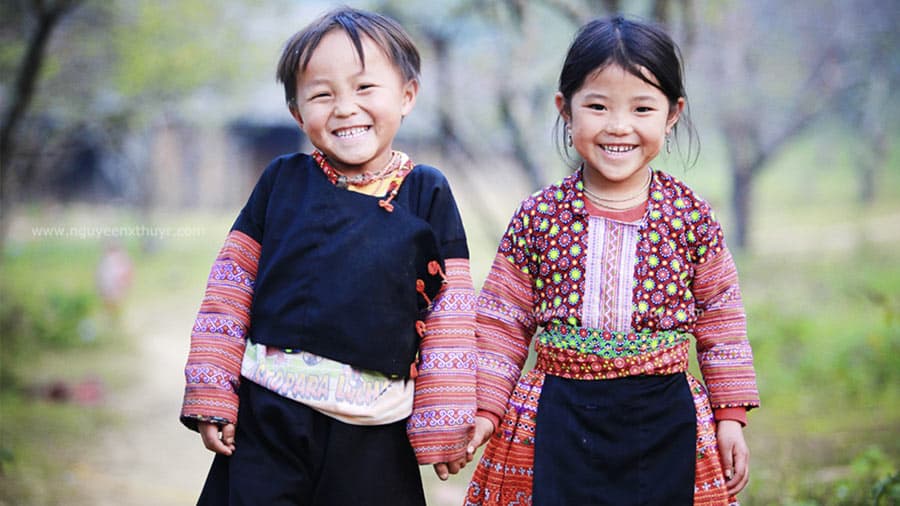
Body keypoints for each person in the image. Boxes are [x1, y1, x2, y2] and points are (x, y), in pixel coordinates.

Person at [179, 7, 476, 505]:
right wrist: (212, 392)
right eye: (322, 94)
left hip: (375, 431)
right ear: (298, 112)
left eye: (364, 89)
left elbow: (451, 312)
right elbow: (229, 288)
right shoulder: (281, 182)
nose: (344, 108)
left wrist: (443, 416)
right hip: (270, 418)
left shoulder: (426, 193)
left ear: (406, 96)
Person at [463, 15, 760, 506]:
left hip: (667, 420)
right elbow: (500, 323)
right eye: (597, 106)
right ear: (566, 109)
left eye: (642, 108)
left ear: (672, 114)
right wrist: (486, 410)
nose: (619, 126)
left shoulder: (690, 218)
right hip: (556, 417)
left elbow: (721, 318)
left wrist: (730, 418)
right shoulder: (538, 217)